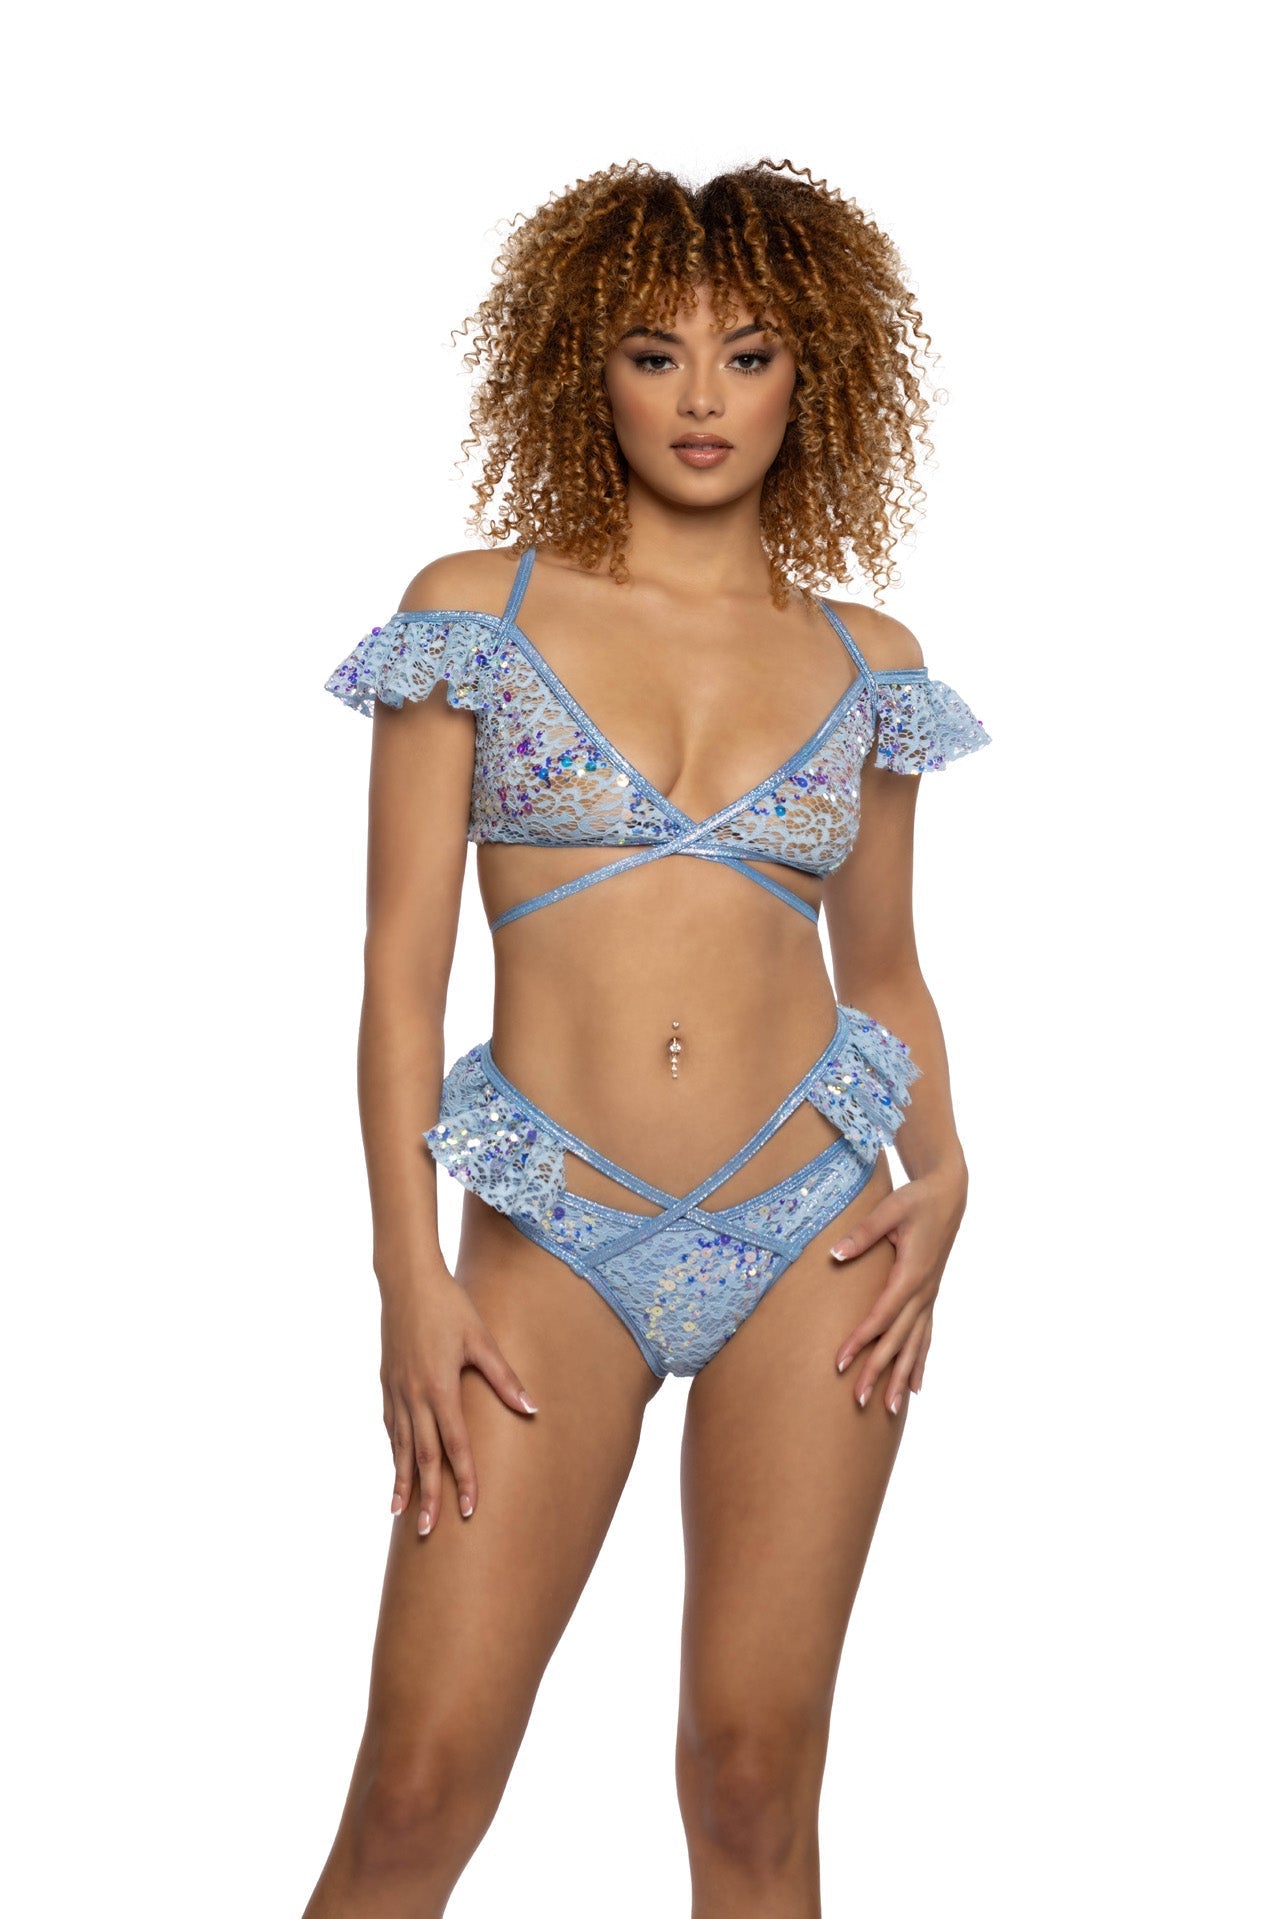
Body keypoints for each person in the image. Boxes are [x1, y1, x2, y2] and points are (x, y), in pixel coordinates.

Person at [304, 157, 991, 1919]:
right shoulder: (476, 614)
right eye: (653, 353)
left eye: (749, 356)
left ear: (813, 375)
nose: (702, 399)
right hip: (553, 1236)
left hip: (817, 1227)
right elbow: (398, 970)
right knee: (417, 1785)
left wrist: (949, 1172)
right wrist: (406, 1273)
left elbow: (887, 970)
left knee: (752, 1780)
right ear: (581, 368)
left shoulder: (867, 662)